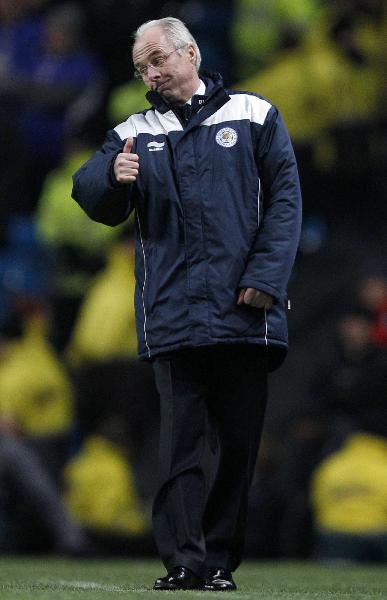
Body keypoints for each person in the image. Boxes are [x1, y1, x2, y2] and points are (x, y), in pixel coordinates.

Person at [72, 17, 302, 591]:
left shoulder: (253, 115)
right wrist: (110, 175)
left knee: (237, 445)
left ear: (191, 53)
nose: (150, 74)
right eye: (141, 68)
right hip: (173, 312)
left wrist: (266, 278)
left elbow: (285, 202)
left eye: (157, 60)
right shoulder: (134, 130)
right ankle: (184, 562)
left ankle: (220, 560)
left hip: (244, 310)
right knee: (179, 450)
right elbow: (89, 191)